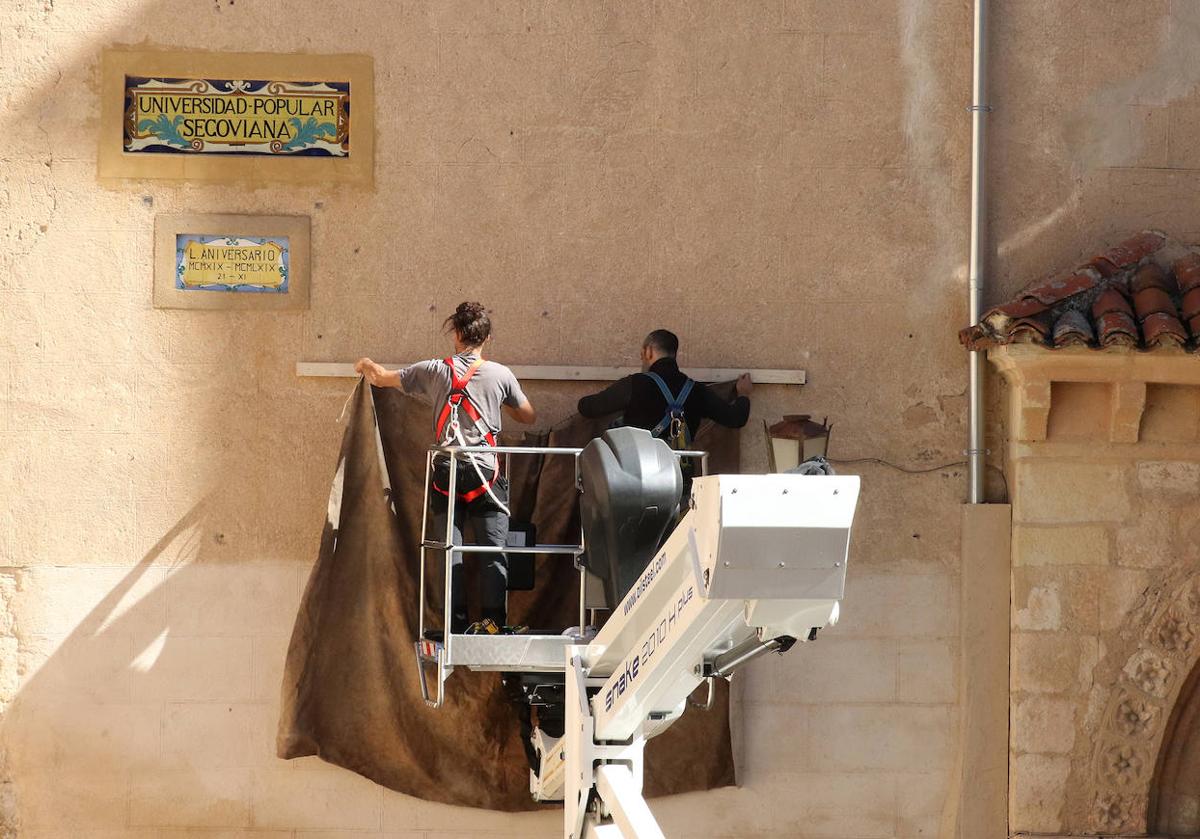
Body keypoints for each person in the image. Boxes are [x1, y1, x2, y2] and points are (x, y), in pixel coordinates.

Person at [355, 302, 536, 635]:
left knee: (448, 550)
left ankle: (455, 623)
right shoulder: (500, 375)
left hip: (446, 474)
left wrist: (365, 364)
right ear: (487, 338)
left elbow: (381, 378)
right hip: (486, 475)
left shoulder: (434, 370)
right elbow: (528, 415)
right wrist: (500, 401)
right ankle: (493, 622)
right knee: (492, 551)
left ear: (455, 335)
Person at [577, 329, 753, 487]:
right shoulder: (696, 390)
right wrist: (743, 394)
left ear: (649, 351)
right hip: (678, 477)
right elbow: (735, 418)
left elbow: (588, 408)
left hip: (636, 474)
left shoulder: (636, 384)